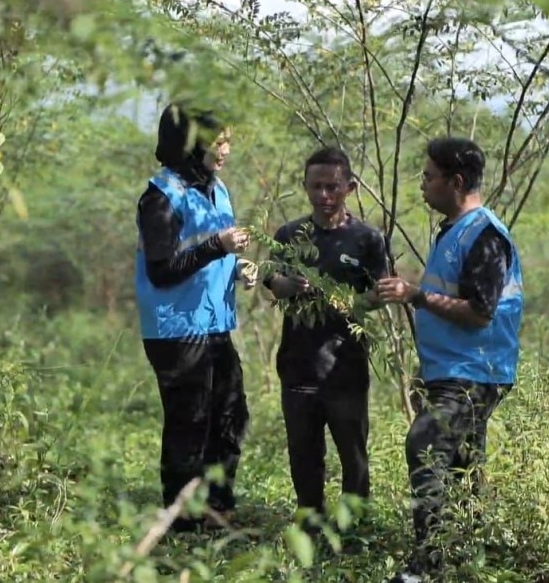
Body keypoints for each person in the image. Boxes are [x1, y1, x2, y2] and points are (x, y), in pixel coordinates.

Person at [375, 137, 523, 582]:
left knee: (425, 444)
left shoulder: (486, 236)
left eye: (429, 177)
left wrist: (417, 295)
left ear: (455, 182)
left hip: (475, 370)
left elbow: (480, 312)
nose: (423, 185)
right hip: (451, 370)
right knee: (461, 464)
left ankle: (427, 566)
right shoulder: (454, 229)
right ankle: (468, 557)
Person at [135, 102, 258, 532]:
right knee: (190, 424)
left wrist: (236, 267)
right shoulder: (161, 197)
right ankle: (183, 523)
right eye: (216, 141)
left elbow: (209, 253)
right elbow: (162, 268)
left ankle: (218, 511)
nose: (225, 149)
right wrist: (216, 249)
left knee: (229, 416)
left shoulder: (216, 188)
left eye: (227, 139)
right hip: (176, 329)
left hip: (215, 323)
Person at [263, 146, 389, 533]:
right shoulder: (289, 235)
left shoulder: (367, 239)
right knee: (304, 454)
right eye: (316, 187)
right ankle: (310, 525)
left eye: (332, 187)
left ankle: (355, 529)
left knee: (353, 455)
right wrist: (287, 285)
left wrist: (348, 302)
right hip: (298, 365)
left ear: (349, 188)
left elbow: (380, 294)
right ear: (304, 186)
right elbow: (271, 281)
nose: (324, 195)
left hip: (346, 367)